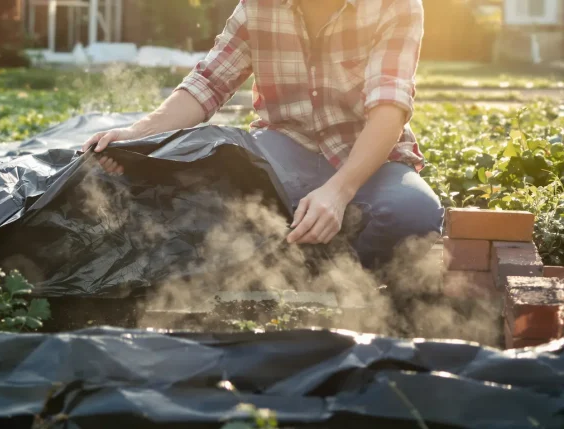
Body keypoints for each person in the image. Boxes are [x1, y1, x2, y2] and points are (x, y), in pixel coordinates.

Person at [82, 0, 443, 270]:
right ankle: (263, 277)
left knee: (413, 212)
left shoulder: (393, 5)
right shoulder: (258, 5)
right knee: (205, 182)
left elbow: (388, 108)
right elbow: (209, 82)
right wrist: (136, 133)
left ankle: (345, 284)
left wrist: (338, 192)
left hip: (368, 155)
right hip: (283, 147)